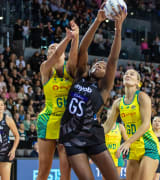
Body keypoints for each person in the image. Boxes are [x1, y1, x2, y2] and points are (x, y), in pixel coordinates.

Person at [60, 4, 126, 180]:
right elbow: (83, 48)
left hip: (93, 136)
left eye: (103, 66)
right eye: (97, 63)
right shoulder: (80, 75)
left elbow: (113, 60)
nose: (100, 64)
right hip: (71, 136)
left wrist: (118, 30)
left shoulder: (103, 89)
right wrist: (97, 21)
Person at [36, 21, 79, 180]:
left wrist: (76, 37)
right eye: (50, 49)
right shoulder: (45, 69)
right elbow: (55, 56)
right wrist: (67, 39)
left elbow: (74, 56)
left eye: (56, 47)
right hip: (47, 120)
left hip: (66, 122)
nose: (53, 49)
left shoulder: (70, 70)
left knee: (65, 171)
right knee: (43, 171)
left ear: (64, 54)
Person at [104, 69, 160, 180]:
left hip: (148, 146)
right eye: (126, 74)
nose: (127, 75)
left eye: (132, 74)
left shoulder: (142, 97)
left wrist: (128, 142)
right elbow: (107, 126)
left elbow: (145, 125)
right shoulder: (118, 103)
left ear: (138, 82)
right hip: (133, 148)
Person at [104, 114, 128, 180]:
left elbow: (128, 142)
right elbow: (99, 142)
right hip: (106, 156)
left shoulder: (120, 127)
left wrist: (120, 149)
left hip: (117, 157)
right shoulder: (103, 127)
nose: (110, 116)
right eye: (109, 114)